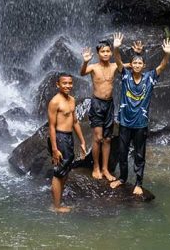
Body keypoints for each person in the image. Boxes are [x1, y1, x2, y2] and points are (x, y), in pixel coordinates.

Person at [109, 38, 170, 196]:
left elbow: (162, 66)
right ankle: (123, 178)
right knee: (122, 152)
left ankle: (138, 183)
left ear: (144, 66)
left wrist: (167, 55)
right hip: (124, 122)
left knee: (139, 154)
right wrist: (115, 49)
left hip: (140, 124)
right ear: (131, 65)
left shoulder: (150, 77)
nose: (137, 65)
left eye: (140, 63)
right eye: (134, 63)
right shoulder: (125, 76)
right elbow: (117, 61)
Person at [79, 33, 124, 182]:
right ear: (98, 53)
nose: (105, 54)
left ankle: (105, 169)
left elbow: (133, 65)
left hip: (110, 104)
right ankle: (96, 167)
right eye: (102, 51)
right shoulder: (93, 67)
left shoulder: (114, 66)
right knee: (98, 138)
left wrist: (120, 48)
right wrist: (85, 61)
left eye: (108, 51)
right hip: (97, 104)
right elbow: (82, 72)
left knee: (107, 139)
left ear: (111, 52)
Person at [48, 72, 88, 213]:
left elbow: (75, 121)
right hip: (59, 138)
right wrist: (54, 148)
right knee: (59, 172)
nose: (67, 86)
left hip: (68, 137)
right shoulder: (55, 102)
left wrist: (82, 141)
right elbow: (51, 126)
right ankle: (56, 206)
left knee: (65, 170)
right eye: (64, 83)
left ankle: (58, 201)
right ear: (58, 84)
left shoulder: (72, 100)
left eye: (70, 83)